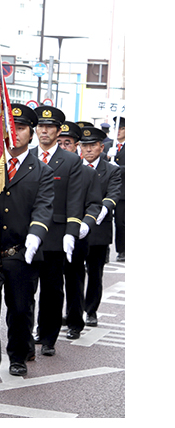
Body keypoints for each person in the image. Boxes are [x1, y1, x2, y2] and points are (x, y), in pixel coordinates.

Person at [0, 104, 54, 385]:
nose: (15, 134)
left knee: (19, 309)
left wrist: (35, 234)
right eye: (10, 128)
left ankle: (18, 356)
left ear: (31, 133)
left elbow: (44, 206)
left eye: (21, 128)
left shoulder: (40, 170)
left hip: (21, 251)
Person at [31, 106, 84, 357]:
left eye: (49, 127)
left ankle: (49, 336)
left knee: (52, 290)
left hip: (55, 235)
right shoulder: (26, 156)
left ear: (58, 130)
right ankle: (26, 336)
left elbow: (75, 198)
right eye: (40, 126)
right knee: (24, 289)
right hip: (27, 234)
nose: (44, 130)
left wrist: (71, 232)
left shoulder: (71, 160)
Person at [57, 121, 103, 339]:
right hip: (51, 235)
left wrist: (86, 222)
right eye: (60, 142)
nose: (64, 146)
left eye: (68, 143)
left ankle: (75, 322)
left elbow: (94, 203)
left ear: (76, 146)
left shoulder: (87, 173)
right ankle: (49, 324)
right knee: (50, 285)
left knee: (74, 280)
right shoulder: (45, 168)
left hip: (77, 235)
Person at [79, 125, 122, 328]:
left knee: (95, 273)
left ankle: (91, 311)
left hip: (98, 229)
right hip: (75, 228)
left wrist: (100, 212)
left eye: (92, 145)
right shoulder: (73, 167)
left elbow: (113, 195)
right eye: (84, 145)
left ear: (101, 147)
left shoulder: (112, 170)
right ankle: (74, 311)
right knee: (73, 274)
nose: (88, 149)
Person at [108, 116, 125, 262]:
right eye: (117, 128)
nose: (118, 131)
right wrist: (107, 158)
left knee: (120, 222)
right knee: (104, 220)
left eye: (122, 128)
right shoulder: (108, 146)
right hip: (107, 190)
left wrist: (118, 168)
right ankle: (104, 249)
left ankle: (122, 250)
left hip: (123, 192)